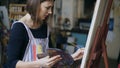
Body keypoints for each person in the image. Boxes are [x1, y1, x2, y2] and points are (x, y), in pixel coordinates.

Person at [6, 0, 84, 68]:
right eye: (47, 8)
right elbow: (11, 63)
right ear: (35, 5)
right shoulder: (19, 28)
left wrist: (72, 57)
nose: (50, 12)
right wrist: (40, 63)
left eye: (51, 8)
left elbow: (51, 59)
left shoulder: (44, 27)